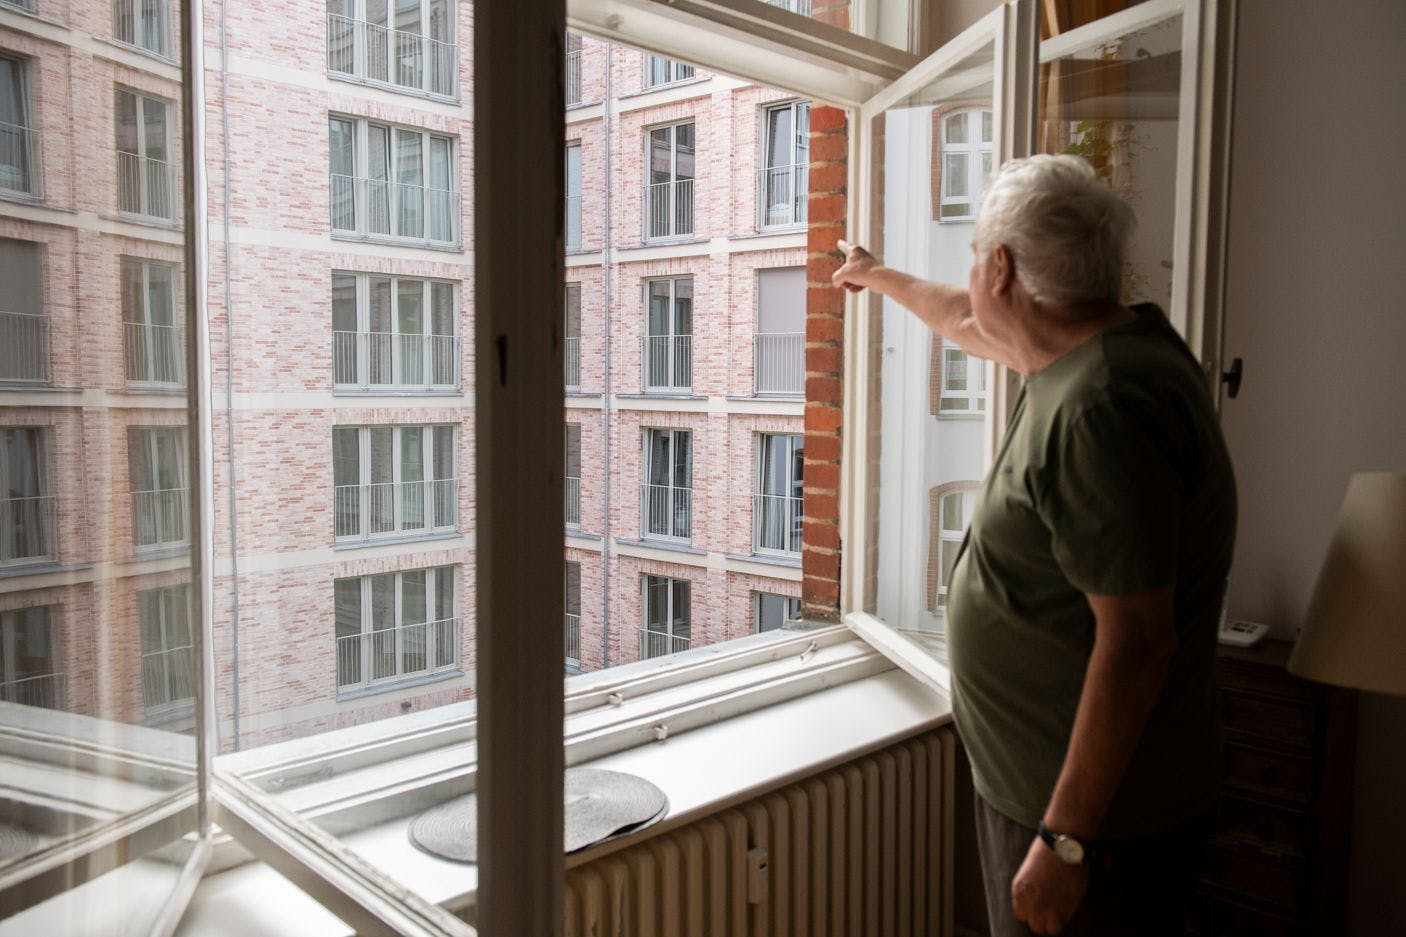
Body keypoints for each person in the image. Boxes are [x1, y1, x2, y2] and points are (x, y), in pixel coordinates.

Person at [832, 154, 1236, 936]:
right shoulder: (1091, 350)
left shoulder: (1102, 405)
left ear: (1002, 265)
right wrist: (876, 276)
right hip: (1065, 800)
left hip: (1092, 824)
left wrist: (1065, 842)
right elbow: (961, 316)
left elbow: (1139, 644)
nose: (971, 277)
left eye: (975, 254)